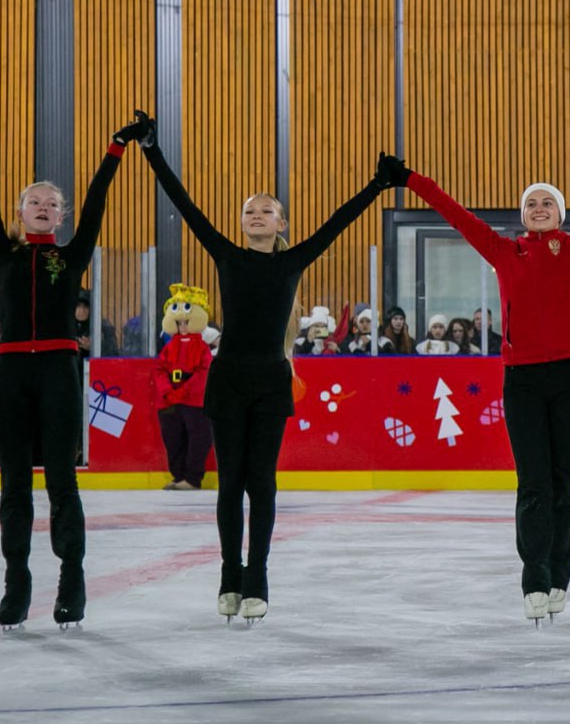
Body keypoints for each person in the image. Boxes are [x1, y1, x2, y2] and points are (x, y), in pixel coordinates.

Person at [376, 109, 570, 623]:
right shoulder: (505, 253)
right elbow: (457, 214)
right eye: (531, 203)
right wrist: (411, 180)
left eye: (547, 201)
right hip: (523, 380)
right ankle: (535, 576)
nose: (538, 206)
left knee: (563, 481)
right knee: (533, 482)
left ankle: (559, 573)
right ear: (523, 216)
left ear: (562, 212)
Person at [137, 113, 389, 623]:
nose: (256, 216)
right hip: (227, 380)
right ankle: (231, 574)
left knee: (262, 483)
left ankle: (259, 576)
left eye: (266, 211)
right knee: (230, 483)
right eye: (250, 211)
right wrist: (151, 150)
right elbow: (184, 205)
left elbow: (339, 221)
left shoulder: (292, 261)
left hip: (270, 381)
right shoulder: (226, 256)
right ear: (242, 221)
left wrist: (377, 185)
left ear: (280, 224)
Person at [0, 102, 140, 629]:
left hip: (59, 372)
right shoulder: (5, 253)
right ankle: (17, 582)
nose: (42, 207)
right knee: (14, 483)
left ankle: (72, 580)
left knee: (62, 480)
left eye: (51, 203)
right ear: (20, 213)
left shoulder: (73, 254)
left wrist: (115, 149)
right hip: (10, 373)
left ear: (61, 216)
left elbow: (99, 200)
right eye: (33, 201)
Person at [154, 283, 215, 491]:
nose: (182, 326)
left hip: (193, 400)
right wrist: (167, 390)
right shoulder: (170, 347)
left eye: (186, 322)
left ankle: (192, 477)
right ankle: (179, 474)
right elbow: (160, 370)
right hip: (169, 399)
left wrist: (183, 391)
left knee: (198, 437)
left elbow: (203, 372)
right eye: (179, 322)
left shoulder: (202, 347)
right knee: (173, 438)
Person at [74, 289, 119, 358]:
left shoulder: (103, 327)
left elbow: (114, 354)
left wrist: (94, 348)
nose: (82, 311)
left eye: (85, 307)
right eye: (78, 306)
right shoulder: (67, 326)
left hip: (95, 367)